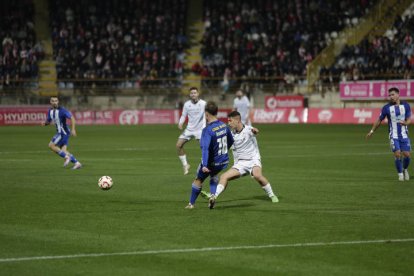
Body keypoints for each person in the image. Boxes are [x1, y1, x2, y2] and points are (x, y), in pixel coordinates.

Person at [208, 111, 279, 209]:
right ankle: (213, 197)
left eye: (230, 121)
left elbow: (255, 131)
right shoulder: (231, 134)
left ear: (237, 120)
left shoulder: (248, 129)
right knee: (224, 176)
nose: (228, 123)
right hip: (240, 163)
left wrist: (255, 131)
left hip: (253, 160)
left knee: (257, 175)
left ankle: (272, 195)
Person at [185, 101, 234, 209]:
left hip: (211, 162)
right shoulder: (224, 126)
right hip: (223, 161)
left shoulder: (207, 130)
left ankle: (191, 204)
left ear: (206, 114)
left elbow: (205, 149)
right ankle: (213, 196)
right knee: (214, 175)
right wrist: (224, 152)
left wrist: (205, 165)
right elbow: (231, 141)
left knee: (198, 180)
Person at [366, 87, 411, 181]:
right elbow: (379, 120)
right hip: (393, 135)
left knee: (407, 154)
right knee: (398, 154)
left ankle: (405, 169)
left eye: (393, 94)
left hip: (404, 135)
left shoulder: (406, 105)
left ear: (398, 94)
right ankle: (400, 175)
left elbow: (409, 119)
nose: (391, 97)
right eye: (389, 95)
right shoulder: (386, 108)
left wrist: (406, 123)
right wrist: (371, 131)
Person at [41, 96, 82, 169]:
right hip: (62, 132)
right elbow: (49, 121)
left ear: (58, 101)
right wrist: (45, 123)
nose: (54, 102)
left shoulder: (62, 110)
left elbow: (72, 118)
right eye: (53, 101)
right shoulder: (50, 111)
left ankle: (66, 158)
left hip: (63, 132)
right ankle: (77, 163)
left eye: (56, 101)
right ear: (50, 102)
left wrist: (73, 129)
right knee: (63, 151)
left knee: (51, 145)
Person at [176, 87, 207, 175]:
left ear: (198, 94)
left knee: (204, 148)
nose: (193, 94)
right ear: (189, 95)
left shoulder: (203, 104)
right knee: (178, 145)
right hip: (189, 129)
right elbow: (183, 115)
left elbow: (206, 115)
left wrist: (205, 127)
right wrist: (180, 123)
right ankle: (185, 165)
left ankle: (205, 165)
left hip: (200, 130)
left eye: (195, 93)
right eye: (191, 93)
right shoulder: (187, 104)